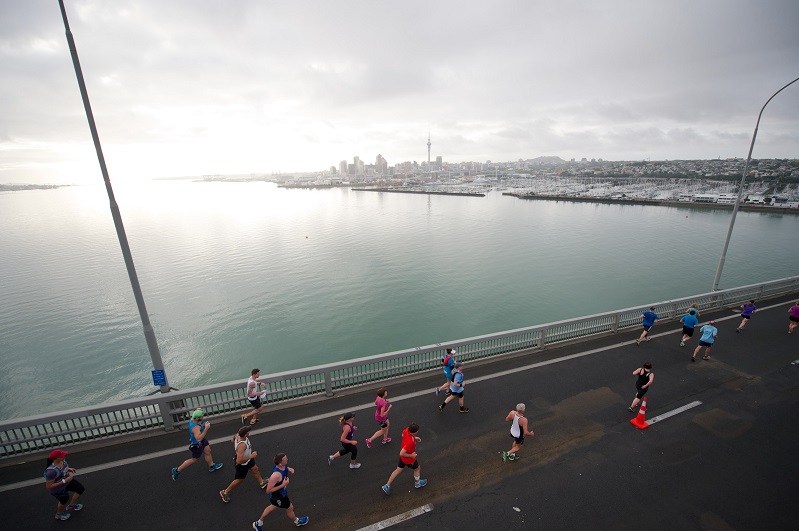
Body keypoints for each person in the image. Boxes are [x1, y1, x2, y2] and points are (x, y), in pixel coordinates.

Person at [252, 453, 309, 530]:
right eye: (285, 459)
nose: (287, 459)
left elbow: (284, 467)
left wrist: (289, 468)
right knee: (289, 507)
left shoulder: (282, 466)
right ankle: (297, 521)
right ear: (280, 464)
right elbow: (268, 491)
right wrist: (283, 485)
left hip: (281, 493)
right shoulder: (276, 475)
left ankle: (258, 523)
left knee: (272, 507)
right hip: (278, 497)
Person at [171, 409, 223, 480]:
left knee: (208, 451)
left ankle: (211, 466)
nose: (203, 417)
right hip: (197, 444)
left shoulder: (193, 419)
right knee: (195, 459)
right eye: (202, 416)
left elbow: (197, 411)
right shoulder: (196, 428)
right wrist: (206, 428)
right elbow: (198, 438)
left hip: (202, 441)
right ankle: (177, 470)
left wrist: (199, 410)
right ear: (198, 418)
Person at [219, 426, 266, 503]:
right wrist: (251, 456)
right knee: (240, 480)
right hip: (242, 464)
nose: (249, 432)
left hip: (248, 460)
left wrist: (233, 439)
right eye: (248, 432)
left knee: (255, 469)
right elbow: (239, 460)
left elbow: (233, 438)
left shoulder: (238, 435)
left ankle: (262, 482)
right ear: (245, 435)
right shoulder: (242, 445)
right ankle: (225, 492)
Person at [381, 423, 427, 494]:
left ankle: (387, 485)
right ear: (415, 432)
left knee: (398, 470)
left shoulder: (406, 430)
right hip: (408, 459)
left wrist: (415, 438)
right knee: (417, 468)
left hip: (402, 458)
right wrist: (411, 455)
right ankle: (417, 483)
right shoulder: (410, 442)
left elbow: (403, 436)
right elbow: (402, 453)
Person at [44, 449, 85, 521]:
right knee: (64, 500)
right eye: (61, 456)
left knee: (80, 489)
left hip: (67, 481)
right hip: (58, 488)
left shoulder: (62, 461)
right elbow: (49, 486)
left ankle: (71, 505)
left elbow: (63, 469)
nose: (64, 456)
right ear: (55, 458)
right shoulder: (51, 472)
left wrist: (69, 469)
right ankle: (59, 514)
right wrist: (65, 481)